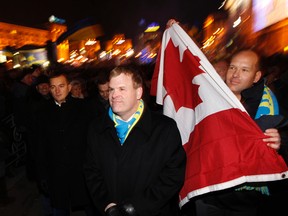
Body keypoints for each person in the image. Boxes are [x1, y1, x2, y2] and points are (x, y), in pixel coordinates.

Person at [187, 49, 287, 216]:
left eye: (244, 70)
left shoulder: (267, 105)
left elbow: (283, 139)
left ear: (256, 76)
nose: (235, 74)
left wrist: (279, 142)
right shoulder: (207, 97)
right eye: (233, 68)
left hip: (244, 200)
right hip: (208, 194)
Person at [83, 65, 186, 216]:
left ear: (138, 92)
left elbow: (173, 175)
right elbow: (91, 171)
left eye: (122, 89)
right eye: (112, 89)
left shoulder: (164, 129)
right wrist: (106, 204)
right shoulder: (96, 128)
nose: (114, 95)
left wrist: (136, 207)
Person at [35, 71, 96, 216]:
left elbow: (94, 140)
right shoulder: (42, 111)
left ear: (69, 87)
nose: (57, 90)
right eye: (53, 87)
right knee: (59, 209)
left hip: (81, 171)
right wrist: (42, 174)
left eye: (61, 86)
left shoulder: (84, 108)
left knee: (91, 208)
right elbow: (39, 145)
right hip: (56, 173)